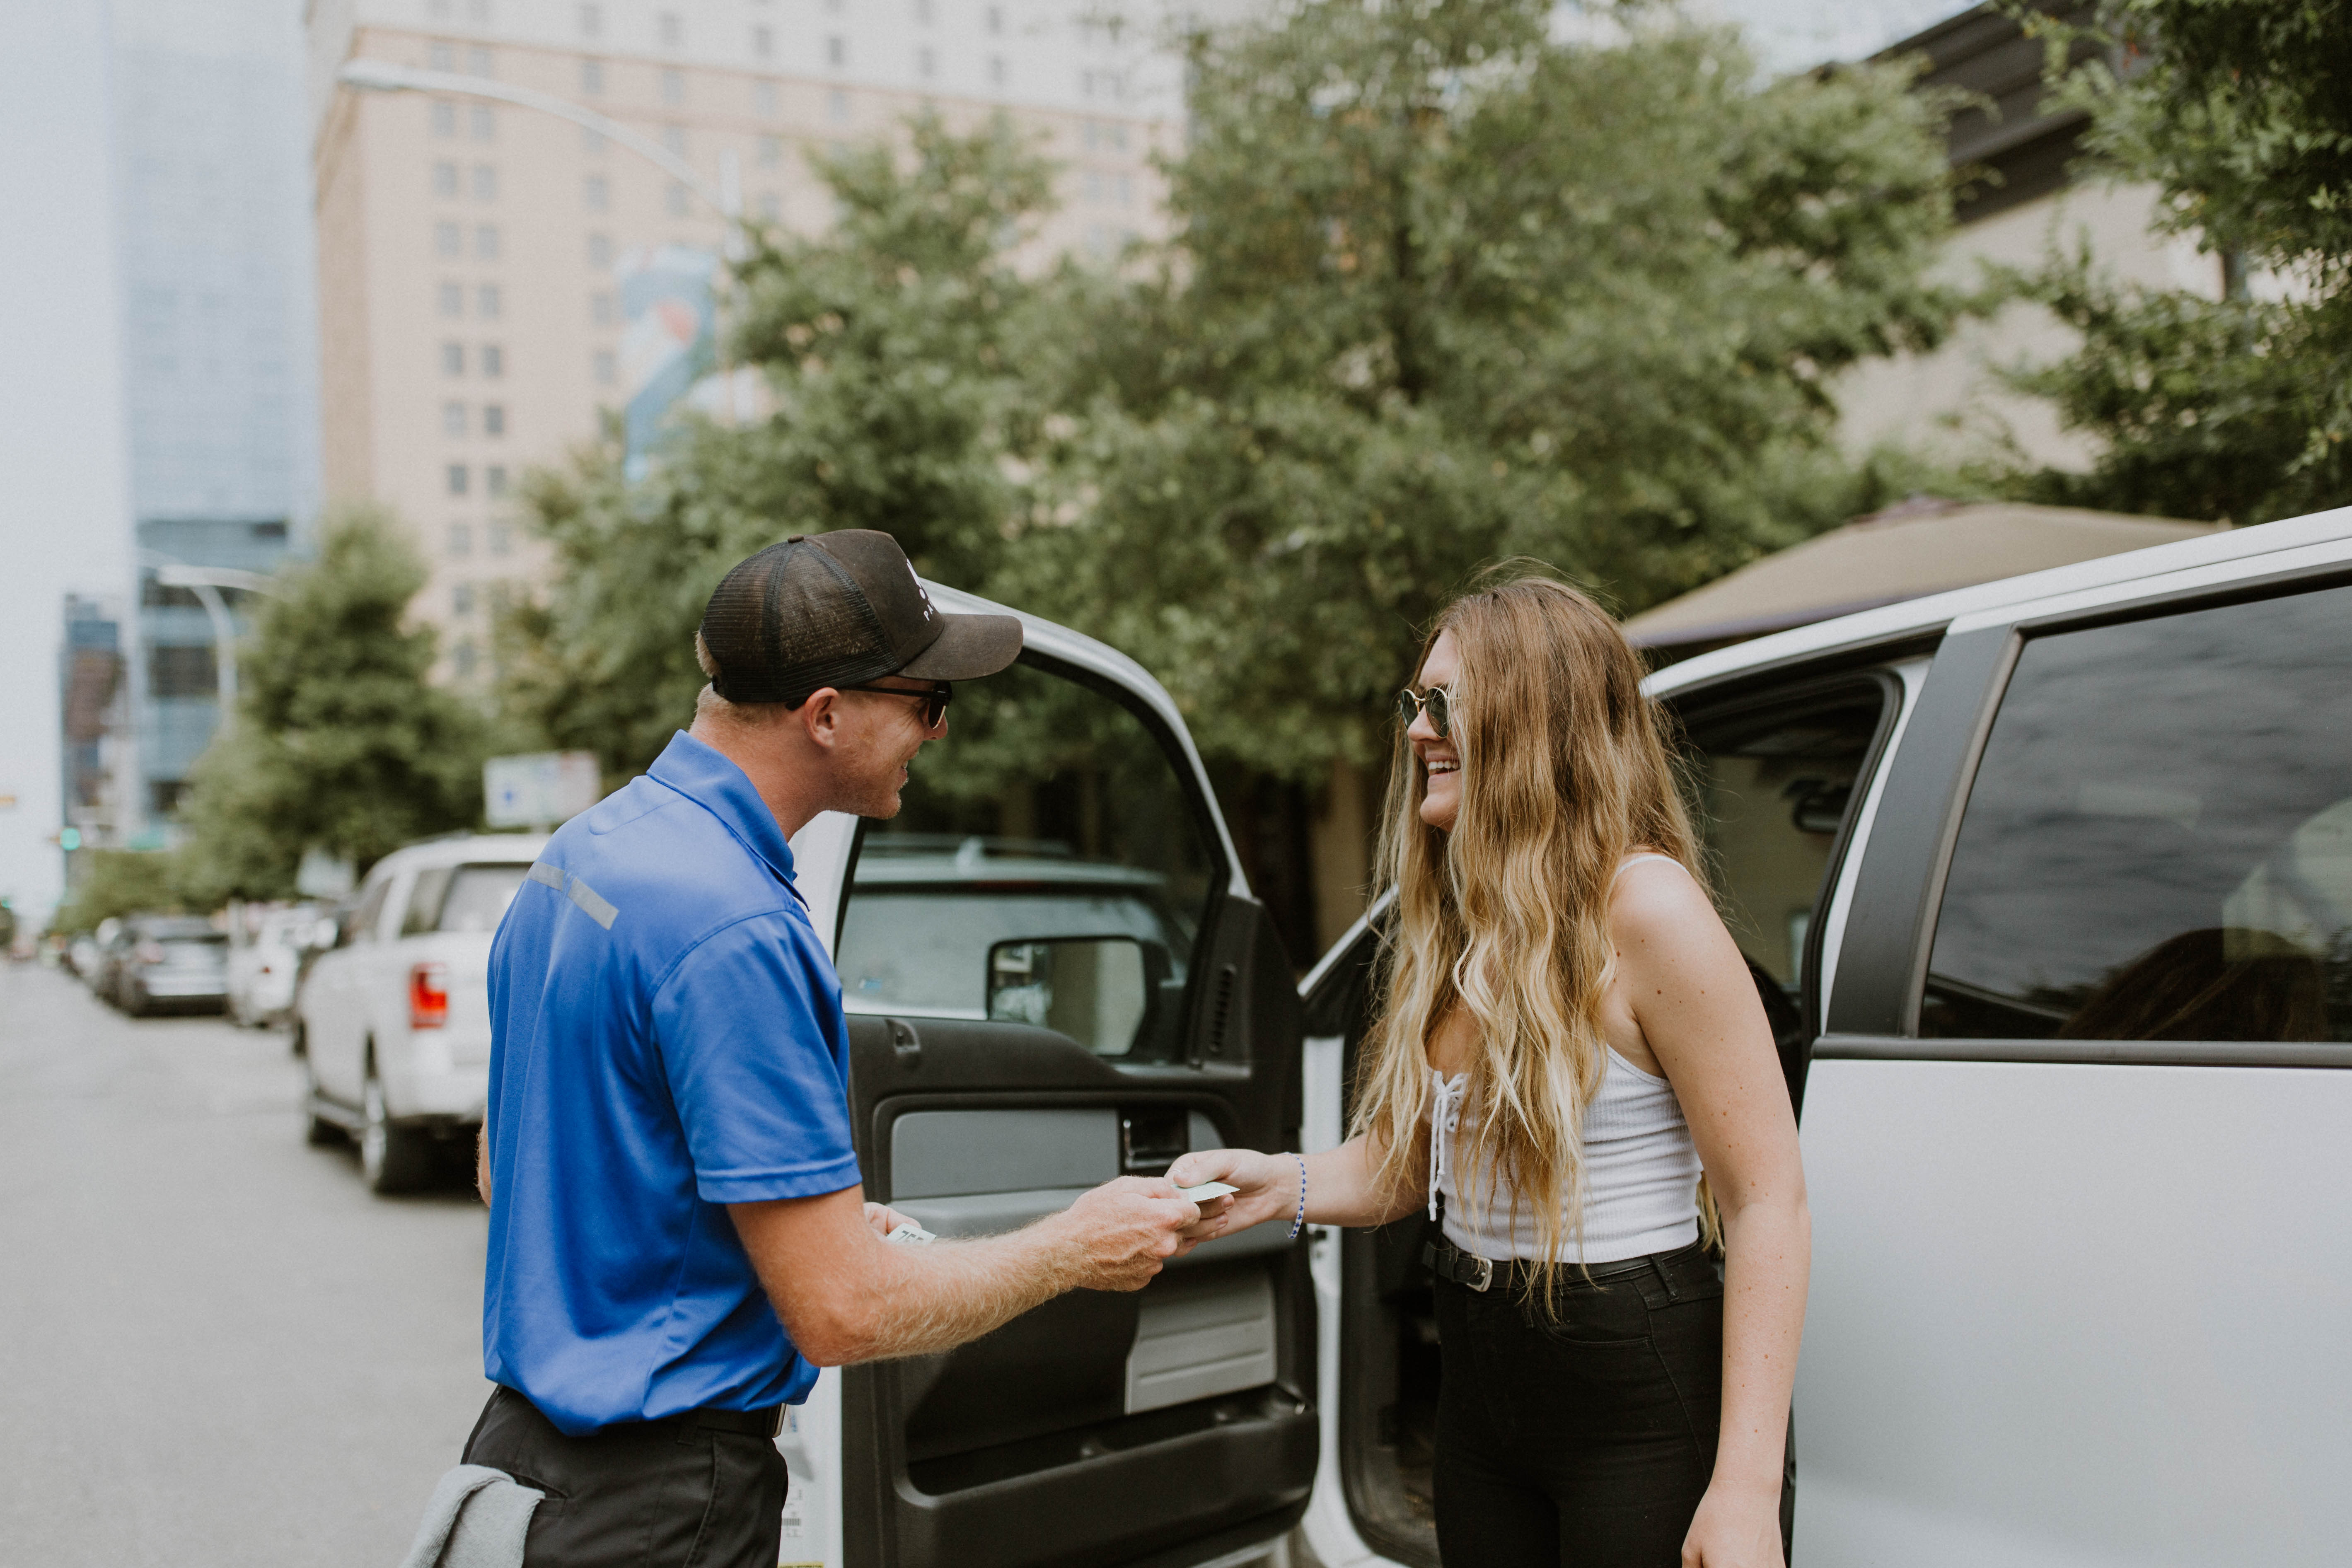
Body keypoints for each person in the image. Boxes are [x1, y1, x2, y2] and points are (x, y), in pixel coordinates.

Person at [464, 530, 1227, 1568]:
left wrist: (778, 1225)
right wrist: (1074, 1248)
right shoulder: (735, 926)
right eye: (927, 703)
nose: (939, 733)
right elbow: (842, 1314)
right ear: (827, 714)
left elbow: (509, 1166)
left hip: (528, 1469)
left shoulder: (584, 854)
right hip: (660, 1507)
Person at [1172, 574, 1809, 1568]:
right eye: (1415, 704)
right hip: (1484, 1385)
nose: (1420, 730)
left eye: (1447, 704)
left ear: (1538, 719)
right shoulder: (1460, 924)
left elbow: (1768, 1200)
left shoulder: (1647, 910)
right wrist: (1274, 1184)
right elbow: (1405, 1169)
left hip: (1637, 1385)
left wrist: (1743, 1491)